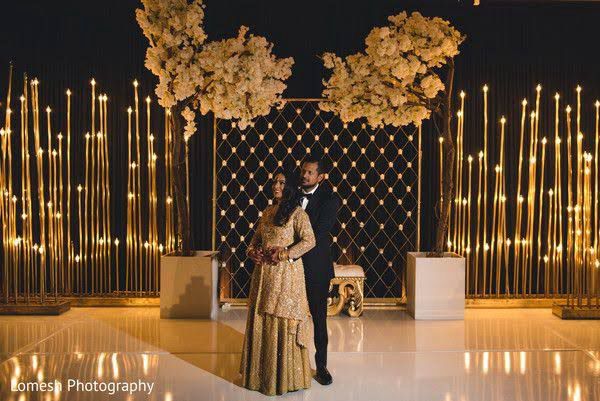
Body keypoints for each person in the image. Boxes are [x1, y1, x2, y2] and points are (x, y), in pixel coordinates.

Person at [239, 170, 316, 396]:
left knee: (282, 319)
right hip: (264, 275)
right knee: (263, 318)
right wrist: (251, 252)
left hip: (286, 275)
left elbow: (310, 241)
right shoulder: (268, 212)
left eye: (282, 182)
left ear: (290, 186)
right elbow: (254, 241)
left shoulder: (297, 214)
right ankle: (260, 377)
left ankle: (284, 378)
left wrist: (285, 253)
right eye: (274, 182)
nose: (276, 186)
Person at [299, 156, 340, 385]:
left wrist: (291, 249)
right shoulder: (291, 195)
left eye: (310, 172)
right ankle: (289, 365)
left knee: (319, 318)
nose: (305, 175)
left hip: (316, 267)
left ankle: (321, 366)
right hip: (291, 267)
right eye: (303, 171)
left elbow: (319, 232)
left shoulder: (330, 199)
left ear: (321, 177)